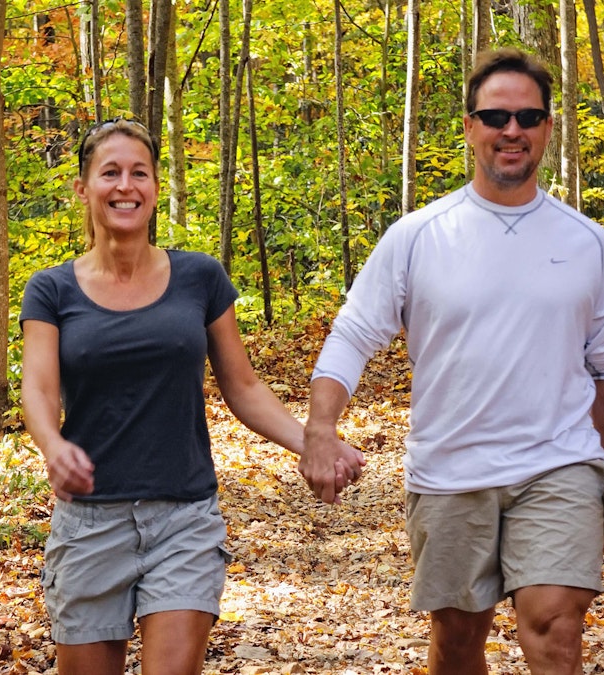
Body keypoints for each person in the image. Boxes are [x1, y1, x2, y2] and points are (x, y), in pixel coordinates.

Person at [298, 48, 604, 674]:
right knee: (457, 646)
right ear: (470, 126)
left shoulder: (588, 242)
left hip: (559, 466)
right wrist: (321, 428)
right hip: (450, 471)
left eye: (529, 117)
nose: (513, 130)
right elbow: (351, 337)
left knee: (555, 627)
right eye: (497, 116)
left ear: (548, 129)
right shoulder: (419, 235)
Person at [20, 117, 358, 675]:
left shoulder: (199, 277)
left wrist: (313, 444)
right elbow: (38, 385)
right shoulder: (51, 289)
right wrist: (53, 446)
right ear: (83, 188)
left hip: (184, 520)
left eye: (140, 173)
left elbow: (243, 387)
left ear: (155, 187)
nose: (126, 186)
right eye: (110, 173)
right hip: (89, 525)